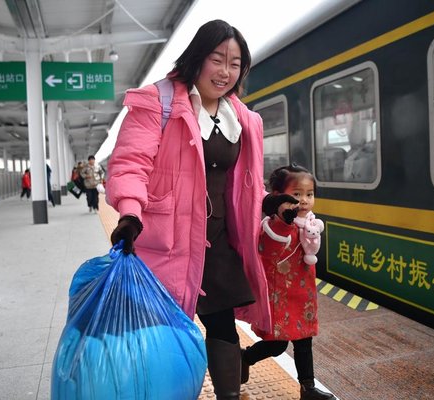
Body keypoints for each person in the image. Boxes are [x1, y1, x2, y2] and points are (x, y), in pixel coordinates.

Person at [106, 20, 273, 399]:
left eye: (235, 64)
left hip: (219, 242)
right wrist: (131, 214)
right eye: (218, 59)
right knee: (163, 333)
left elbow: (246, 183)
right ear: (197, 57)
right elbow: (131, 163)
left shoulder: (243, 119)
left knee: (223, 326)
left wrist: (269, 203)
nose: (225, 72)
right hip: (170, 242)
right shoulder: (158, 102)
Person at [241, 164, 336, 400]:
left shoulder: (310, 224)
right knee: (278, 345)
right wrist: (284, 222)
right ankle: (245, 357)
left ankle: (308, 388)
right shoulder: (274, 225)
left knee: (304, 341)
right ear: (278, 196)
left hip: (303, 297)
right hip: (281, 297)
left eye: (309, 194)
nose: (304, 200)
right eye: (296, 194)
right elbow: (268, 250)